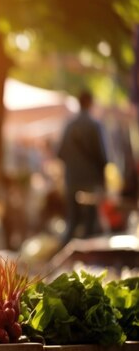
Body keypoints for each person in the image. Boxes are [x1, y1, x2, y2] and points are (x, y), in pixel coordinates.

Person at [57, 90, 108, 246]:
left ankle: (64, 257)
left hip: (72, 180)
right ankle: (86, 263)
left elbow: (60, 153)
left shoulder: (69, 125)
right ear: (90, 103)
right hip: (90, 182)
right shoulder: (94, 125)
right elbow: (102, 156)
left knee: (72, 221)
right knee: (90, 224)